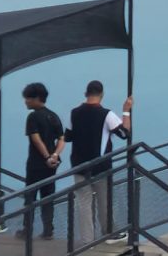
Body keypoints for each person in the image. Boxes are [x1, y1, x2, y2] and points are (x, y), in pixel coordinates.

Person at [69, 81, 132, 240]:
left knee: (84, 204)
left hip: (79, 166)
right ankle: (109, 233)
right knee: (104, 201)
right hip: (101, 166)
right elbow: (124, 134)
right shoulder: (106, 114)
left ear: (86, 93)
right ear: (101, 95)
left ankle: (87, 241)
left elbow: (68, 136)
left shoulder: (74, 113)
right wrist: (126, 111)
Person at [20, 83, 66, 239]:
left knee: (30, 196)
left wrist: (46, 157)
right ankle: (48, 230)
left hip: (36, 163)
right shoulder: (53, 116)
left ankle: (27, 229)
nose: (26, 101)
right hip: (52, 165)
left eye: (28, 98)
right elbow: (61, 139)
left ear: (37, 98)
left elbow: (36, 138)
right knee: (48, 196)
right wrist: (54, 155)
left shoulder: (33, 117)